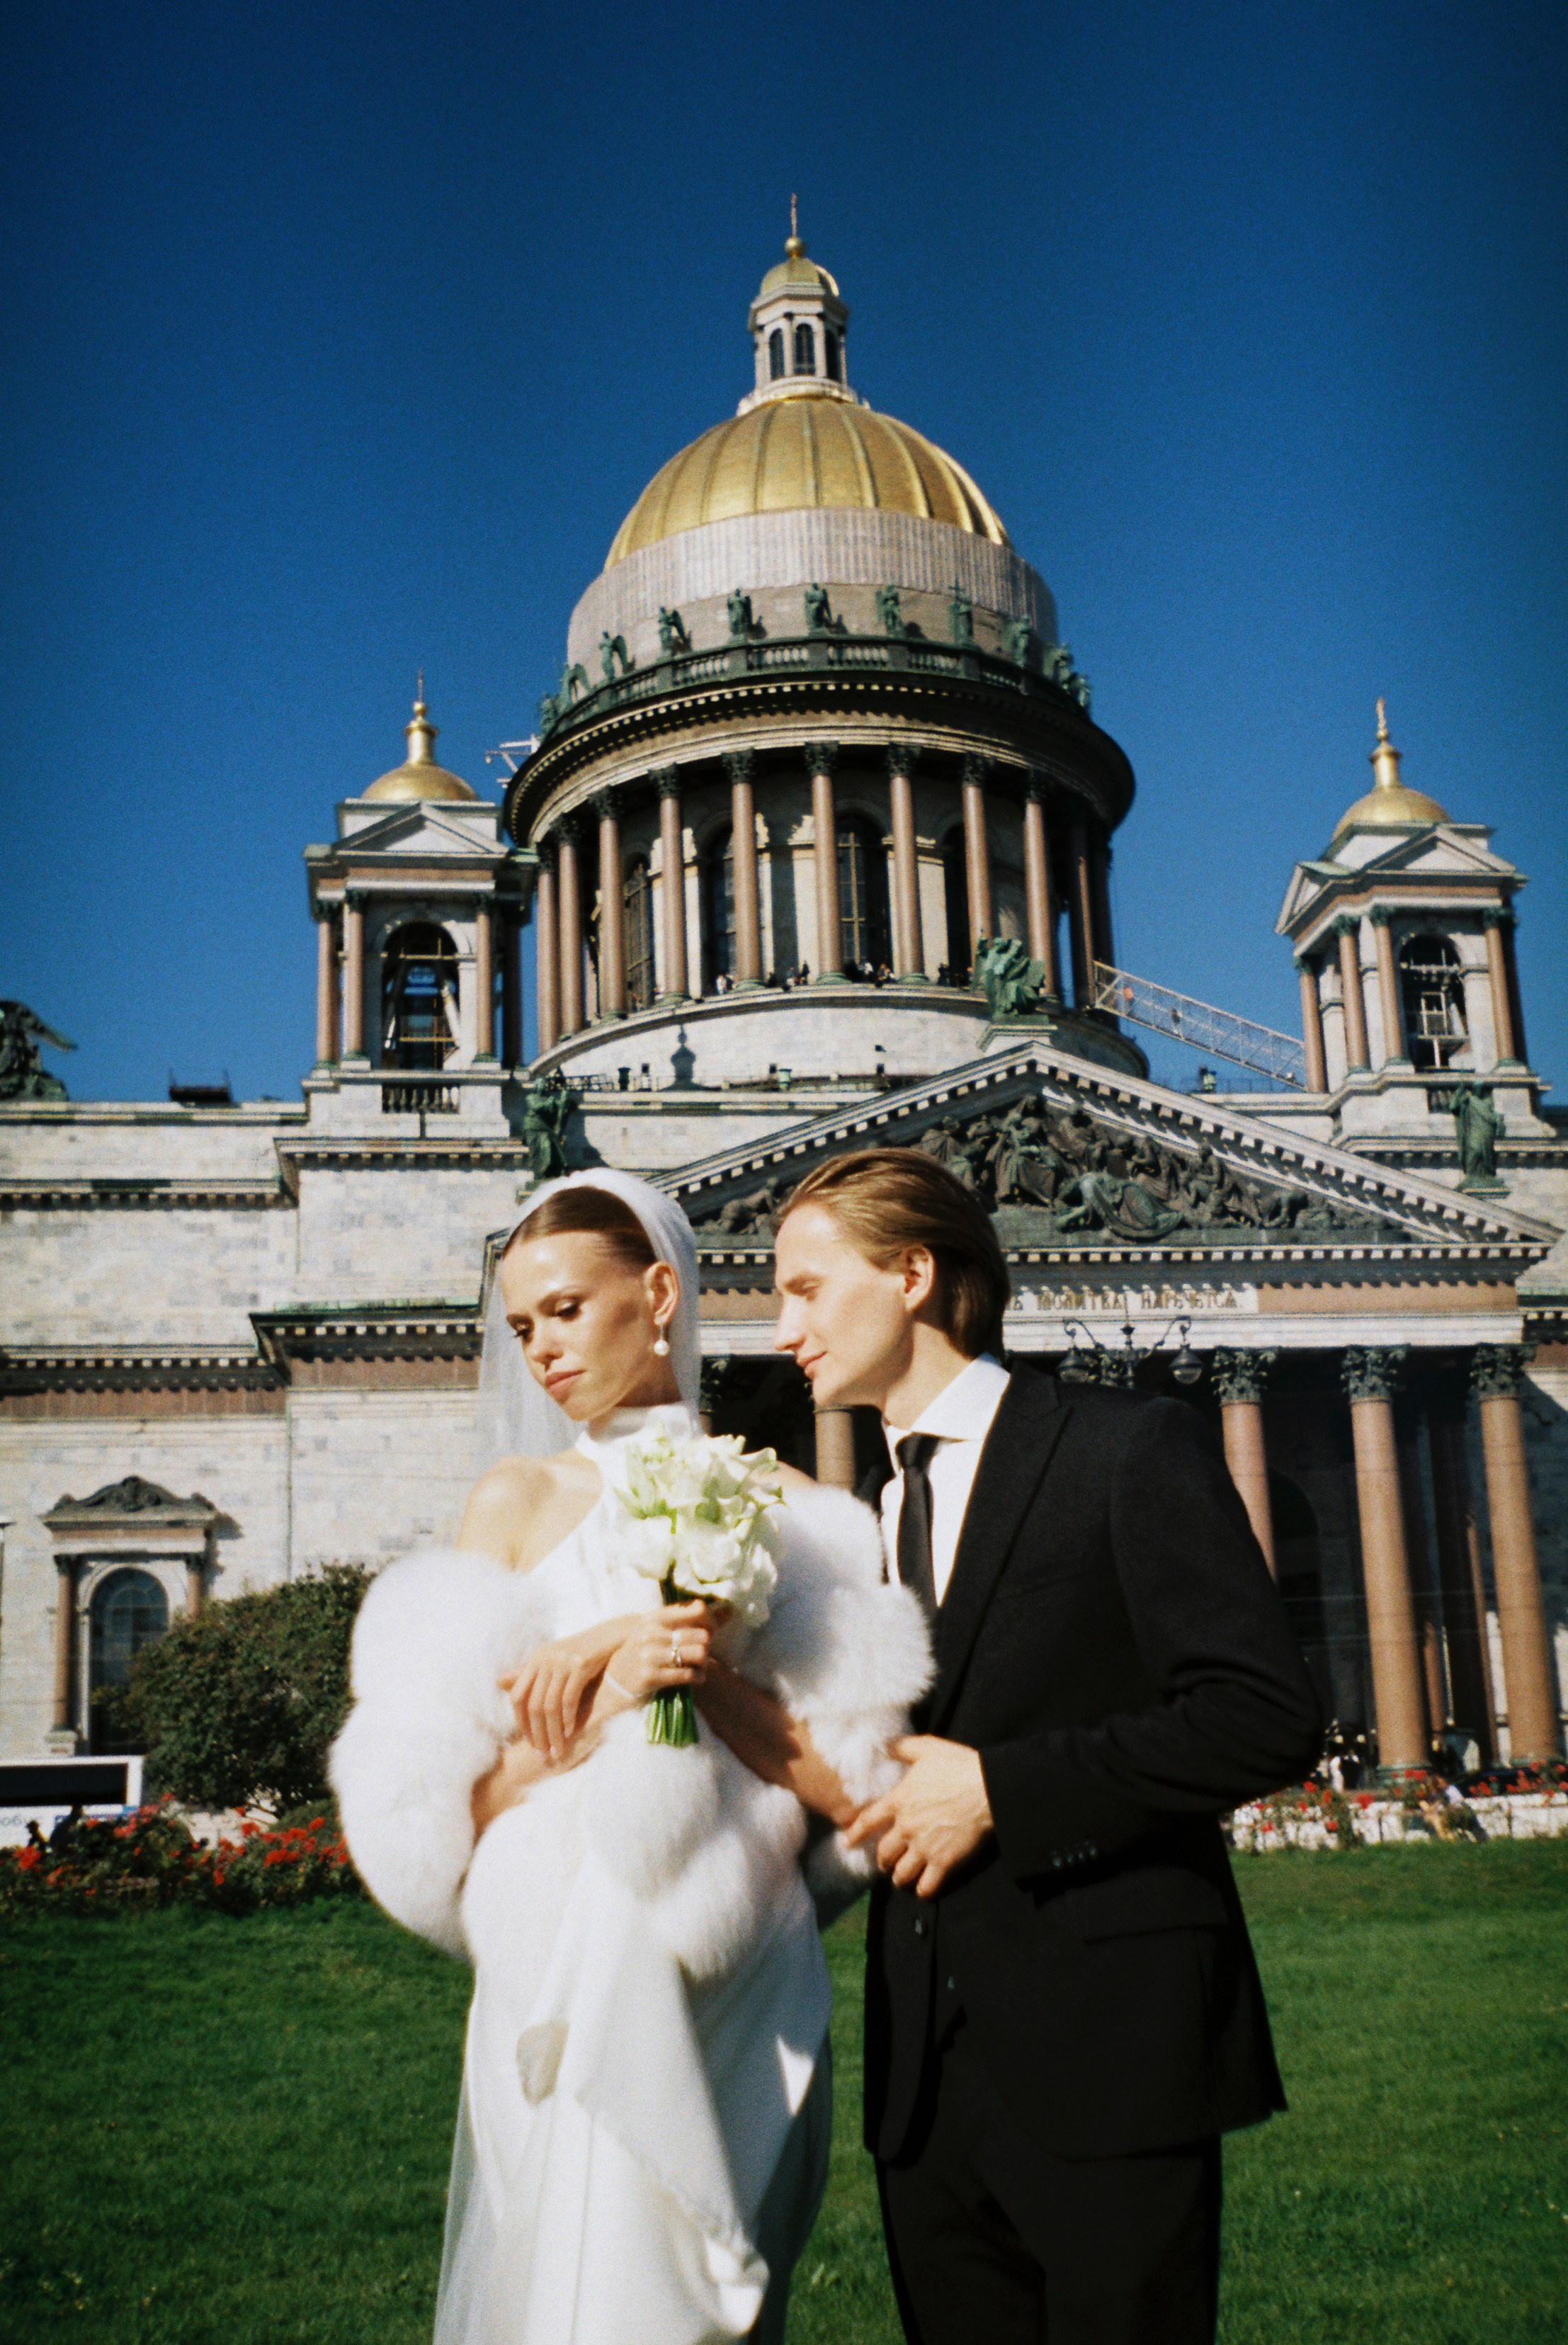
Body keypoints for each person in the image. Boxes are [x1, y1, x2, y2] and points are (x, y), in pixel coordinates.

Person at [331, 1170, 930, 2345]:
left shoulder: (799, 1513)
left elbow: (855, 1795)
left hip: (743, 1970)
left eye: (564, 1310)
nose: (539, 1353)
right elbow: (439, 1815)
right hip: (558, 1975)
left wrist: (696, 1664)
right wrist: (611, 1687)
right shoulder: (513, 1501)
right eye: (518, 1327)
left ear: (658, 1293)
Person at [771, 1148, 1323, 2345]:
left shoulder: (1124, 1448)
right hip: (925, 2080)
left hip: (1111, 2050)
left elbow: (1264, 1712)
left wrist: (1003, 1792)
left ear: (912, 1273)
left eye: (806, 1289)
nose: (780, 1329)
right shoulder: (876, 1507)